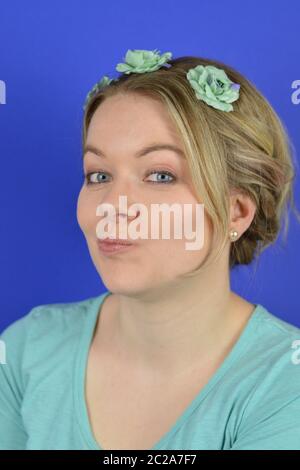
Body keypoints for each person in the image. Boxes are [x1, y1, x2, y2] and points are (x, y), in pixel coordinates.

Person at [1, 50, 300, 450]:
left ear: (237, 211)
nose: (112, 205)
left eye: (160, 175)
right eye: (98, 174)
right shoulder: (26, 348)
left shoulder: (285, 383)